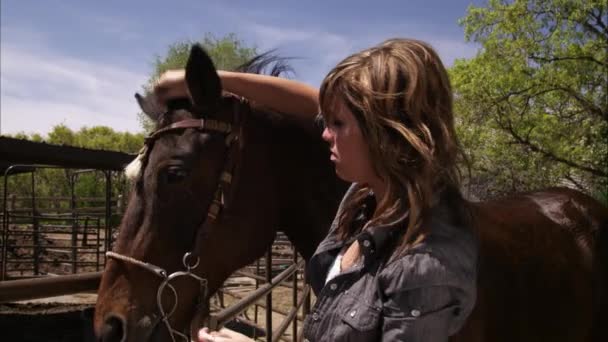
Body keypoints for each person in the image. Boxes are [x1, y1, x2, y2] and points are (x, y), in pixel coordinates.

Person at [155, 38, 478, 342]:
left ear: (385, 133)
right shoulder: (367, 201)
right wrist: (215, 80)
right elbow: (303, 101)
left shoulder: (424, 268)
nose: (324, 133)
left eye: (337, 123)